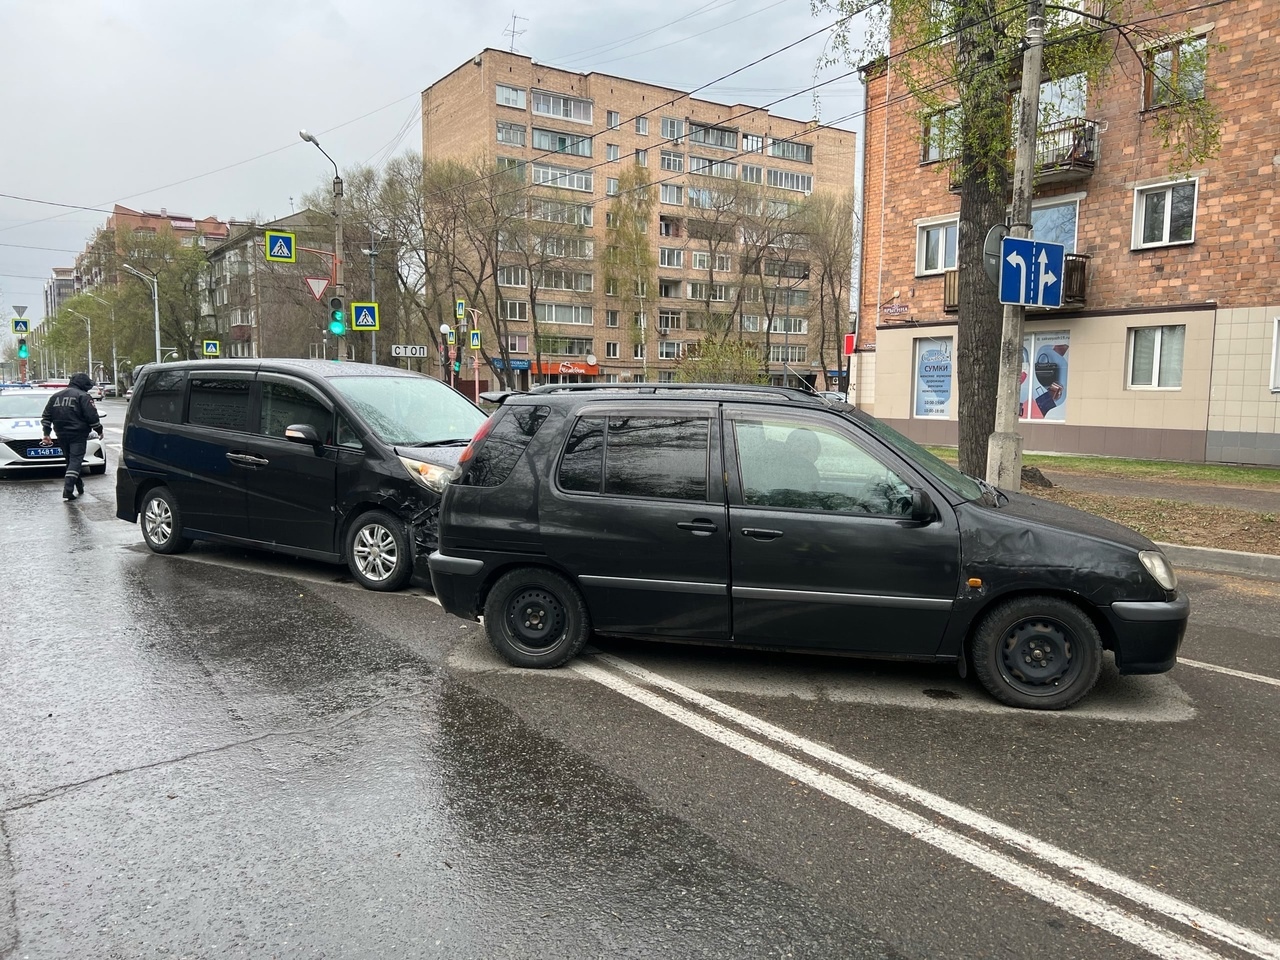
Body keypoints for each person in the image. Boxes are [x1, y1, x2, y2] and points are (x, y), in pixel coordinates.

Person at [40, 372, 102, 501]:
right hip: (78, 434)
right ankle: (68, 489)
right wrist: (99, 430)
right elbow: (92, 417)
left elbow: (46, 416)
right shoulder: (83, 396)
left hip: (61, 433)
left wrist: (46, 434)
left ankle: (79, 485)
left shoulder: (55, 397)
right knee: (75, 460)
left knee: (71, 461)